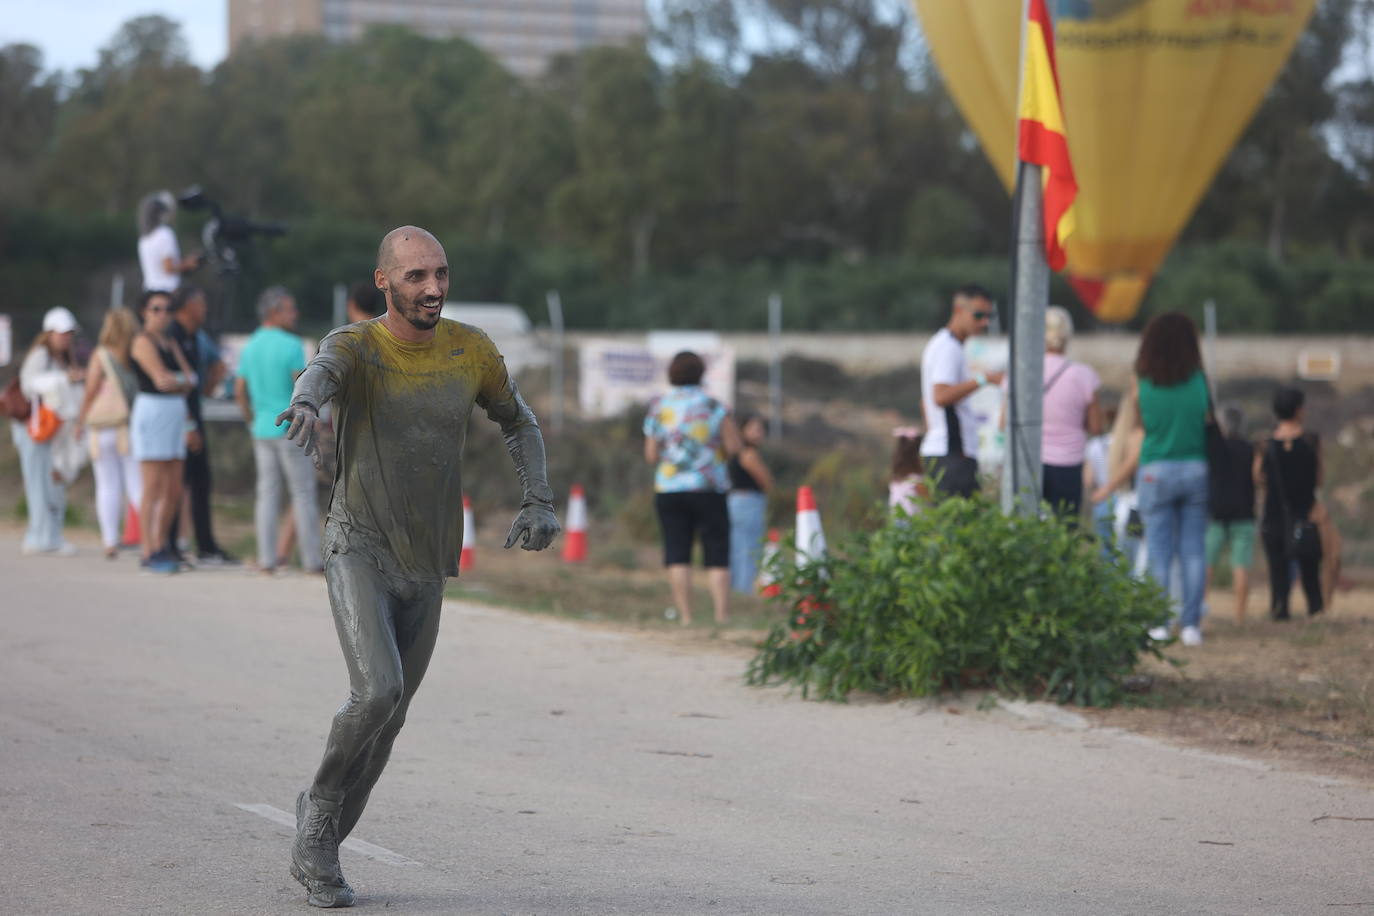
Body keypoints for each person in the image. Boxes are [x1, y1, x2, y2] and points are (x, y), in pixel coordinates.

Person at [277, 226, 559, 908]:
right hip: (359, 544)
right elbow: (322, 369)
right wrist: (308, 403)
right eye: (415, 276)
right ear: (384, 282)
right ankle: (318, 811)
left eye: (440, 273)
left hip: (429, 555)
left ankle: (322, 850)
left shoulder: (471, 349)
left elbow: (518, 421)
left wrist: (539, 498)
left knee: (393, 715)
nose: (431, 287)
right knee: (376, 690)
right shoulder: (357, 346)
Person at [1091, 312, 1209, 646]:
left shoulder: (1141, 381)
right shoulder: (1199, 379)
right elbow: (1205, 418)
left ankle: (1159, 622)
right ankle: (1191, 625)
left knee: (1158, 548)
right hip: (1195, 467)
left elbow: (1141, 422)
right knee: (1193, 549)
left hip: (1156, 469)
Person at [643, 350, 740, 626]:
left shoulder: (659, 407)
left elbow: (651, 456)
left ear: (671, 374)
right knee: (717, 553)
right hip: (710, 487)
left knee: (677, 553)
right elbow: (734, 446)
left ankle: (686, 617)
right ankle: (722, 617)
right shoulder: (713, 406)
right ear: (701, 374)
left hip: (670, 487)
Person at [235, 287, 322, 575]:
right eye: (290, 309)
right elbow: (301, 384)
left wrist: (251, 420)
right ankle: (311, 559)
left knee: (267, 494)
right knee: (303, 493)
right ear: (276, 312)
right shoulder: (291, 345)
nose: (295, 314)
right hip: (291, 427)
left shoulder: (251, 345)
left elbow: (239, 390)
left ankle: (267, 559)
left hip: (261, 428)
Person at [166, 285, 236, 566]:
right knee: (173, 484)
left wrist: (211, 382)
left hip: (193, 414)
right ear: (185, 307)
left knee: (200, 482)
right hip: (176, 418)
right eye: (200, 303)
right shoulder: (172, 335)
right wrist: (187, 426)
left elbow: (216, 366)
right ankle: (168, 544)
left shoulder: (198, 337)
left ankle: (206, 546)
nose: (204, 309)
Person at [129, 290, 199, 573]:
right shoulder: (141, 341)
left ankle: (161, 544)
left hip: (175, 413)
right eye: (156, 309)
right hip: (153, 411)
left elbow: (189, 380)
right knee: (153, 485)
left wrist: (180, 382)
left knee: (174, 487)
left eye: (167, 309)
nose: (162, 315)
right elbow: (161, 380)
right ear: (144, 311)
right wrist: (180, 381)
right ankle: (148, 548)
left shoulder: (170, 342)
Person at [10, 307, 85, 556]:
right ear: (49, 333)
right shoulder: (40, 354)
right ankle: (39, 537)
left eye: (69, 333)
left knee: (52, 483)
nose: (65, 337)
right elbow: (30, 385)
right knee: (38, 484)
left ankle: (49, 535)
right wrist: (65, 379)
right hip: (33, 429)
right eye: (61, 333)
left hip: (51, 431)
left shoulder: (64, 358)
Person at [920, 284, 1003, 497]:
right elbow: (940, 396)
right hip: (952, 453)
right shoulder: (949, 348)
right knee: (960, 525)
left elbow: (925, 401)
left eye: (988, 316)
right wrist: (984, 379)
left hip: (946, 451)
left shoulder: (947, 344)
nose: (984, 322)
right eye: (978, 315)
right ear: (959, 311)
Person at [76, 307, 143, 559]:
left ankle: (110, 540)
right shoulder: (135, 354)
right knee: (137, 483)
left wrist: (80, 421)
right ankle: (150, 534)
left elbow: (90, 390)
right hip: (128, 426)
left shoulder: (101, 355)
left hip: (103, 427)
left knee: (107, 484)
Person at [1255, 387, 1323, 620]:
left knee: (1277, 569)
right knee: (1310, 568)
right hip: (1304, 514)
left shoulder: (1265, 444)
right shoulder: (1310, 441)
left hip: (1274, 515)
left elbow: (1258, 477)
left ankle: (1280, 609)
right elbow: (1319, 478)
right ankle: (1315, 610)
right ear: (1298, 410)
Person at [1038, 306, 1102, 518]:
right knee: (1064, 532)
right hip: (1068, 463)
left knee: (1026, 531)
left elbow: (1004, 422)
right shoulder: (1084, 374)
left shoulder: (1023, 371)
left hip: (1030, 460)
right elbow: (1096, 427)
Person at [1205, 405, 1256, 624]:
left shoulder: (1215, 448)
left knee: (1206, 565)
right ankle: (1239, 615)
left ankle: (1199, 611)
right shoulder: (1249, 449)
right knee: (1241, 566)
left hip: (1216, 513)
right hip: (1244, 513)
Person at [726, 413, 772, 594]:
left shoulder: (735, 453)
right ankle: (744, 590)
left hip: (734, 502)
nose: (759, 433)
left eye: (761, 429)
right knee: (749, 549)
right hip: (748, 503)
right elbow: (765, 480)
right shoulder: (749, 454)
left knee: (738, 549)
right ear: (742, 431)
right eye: (754, 429)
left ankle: (736, 589)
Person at [136, 190, 202, 293]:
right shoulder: (164, 234)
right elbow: (168, 268)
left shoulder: (143, 239)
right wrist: (188, 264)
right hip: (168, 291)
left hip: (149, 291)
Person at [888, 426, 928, 516]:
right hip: (913, 522)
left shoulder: (896, 478)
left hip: (897, 519)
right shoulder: (916, 479)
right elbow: (928, 501)